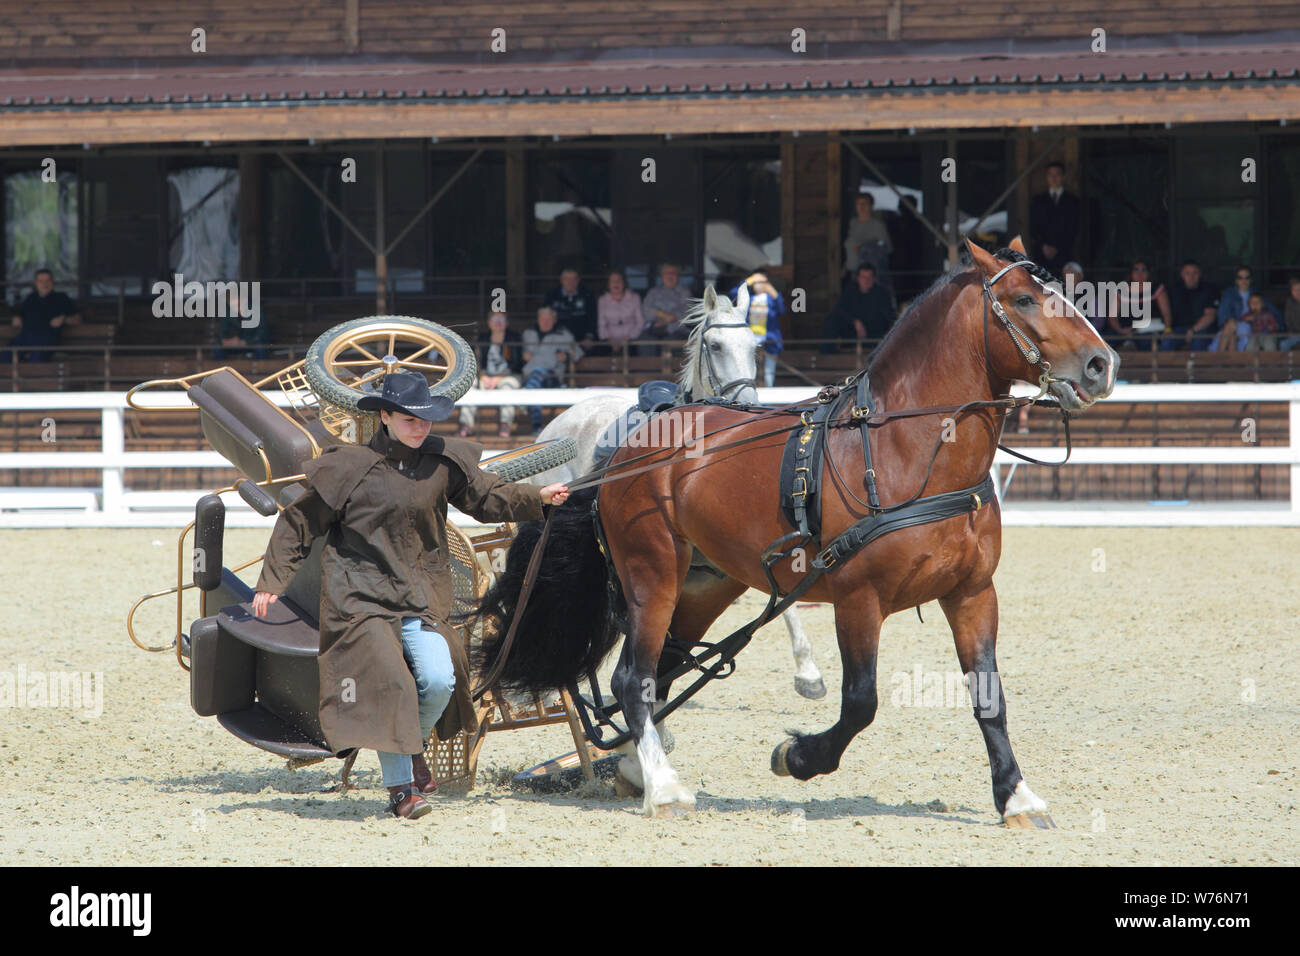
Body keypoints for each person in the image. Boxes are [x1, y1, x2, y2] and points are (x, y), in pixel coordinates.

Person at [251, 370, 569, 820]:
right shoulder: (347, 468)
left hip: (420, 595)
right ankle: (401, 791)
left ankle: (411, 745)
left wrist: (539, 496)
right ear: (385, 416)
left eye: (426, 420)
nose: (420, 428)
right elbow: (298, 525)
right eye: (409, 420)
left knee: (441, 680)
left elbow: (487, 496)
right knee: (394, 684)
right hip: (358, 599)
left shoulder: (442, 464)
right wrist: (271, 583)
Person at [459, 312, 523, 439]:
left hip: (508, 375)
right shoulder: (483, 339)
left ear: (507, 323)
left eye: (501, 319)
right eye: (494, 319)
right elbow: (475, 361)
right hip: (485, 376)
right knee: (470, 385)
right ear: (489, 323)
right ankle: (466, 424)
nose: (498, 322)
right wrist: (482, 376)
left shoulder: (513, 338)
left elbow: (517, 363)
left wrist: (499, 378)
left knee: (507, 387)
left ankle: (505, 424)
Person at [521, 306, 579, 434]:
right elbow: (515, 354)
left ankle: (533, 418)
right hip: (529, 376)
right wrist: (522, 355)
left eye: (549, 319)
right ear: (538, 319)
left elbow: (578, 352)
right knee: (534, 378)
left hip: (552, 377)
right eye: (543, 319)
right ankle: (535, 423)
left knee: (536, 375)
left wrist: (567, 355)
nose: (545, 322)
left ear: (554, 320)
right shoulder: (528, 334)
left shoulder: (564, 335)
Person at [4, 268, 78, 363]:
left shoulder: (62, 298)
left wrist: (64, 319)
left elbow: (77, 319)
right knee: (5, 358)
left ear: (52, 282)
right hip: (25, 336)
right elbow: (19, 314)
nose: (44, 284)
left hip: (46, 338)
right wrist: (16, 318)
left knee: (36, 361)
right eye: (41, 281)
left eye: (48, 280)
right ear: (36, 283)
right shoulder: (30, 298)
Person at [822, 264, 894, 354]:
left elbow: (890, 316)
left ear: (874, 279)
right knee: (832, 320)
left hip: (873, 335)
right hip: (853, 332)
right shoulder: (851, 291)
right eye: (863, 277)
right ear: (858, 279)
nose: (866, 281)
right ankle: (827, 357)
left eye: (869, 277)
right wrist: (855, 322)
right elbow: (839, 309)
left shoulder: (882, 294)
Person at [730, 271, 784, 388]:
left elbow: (782, 309)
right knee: (749, 367)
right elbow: (733, 294)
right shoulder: (748, 298)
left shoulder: (771, 298)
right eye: (756, 282)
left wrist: (773, 291)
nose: (758, 284)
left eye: (762, 282)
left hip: (770, 339)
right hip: (750, 339)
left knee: (769, 371)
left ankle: (769, 391)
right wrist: (749, 280)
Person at [1212, 266, 1281, 352]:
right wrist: (1229, 320)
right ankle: (1226, 359)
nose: (1243, 280)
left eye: (1247, 278)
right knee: (1230, 327)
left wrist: (1275, 326)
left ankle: (1224, 360)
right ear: (1236, 280)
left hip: (1250, 325)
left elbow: (1273, 312)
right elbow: (1223, 312)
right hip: (1232, 324)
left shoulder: (1257, 294)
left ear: (1251, 280)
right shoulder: (1229, 294)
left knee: (1236, 331)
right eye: (1240, 278)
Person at [1028, 162, 1080, 274]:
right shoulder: (1038, 201)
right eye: (1050, 175)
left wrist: (1058, 247)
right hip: (1042, 255)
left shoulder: (1073, 202)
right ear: (1046, 177)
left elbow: (1074, 228)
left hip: (1065, 255)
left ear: (1063, 177)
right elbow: (1033, 227)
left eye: (1057, 174)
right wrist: (1043, 246)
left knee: (1065, 288)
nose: (1054, 178)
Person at [1166, 259, 1219, 351]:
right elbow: (1166, 314)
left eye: (1195, 273)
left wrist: (1193, 330)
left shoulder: (1208, 289)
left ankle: (1194, 366)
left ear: (1200, 274)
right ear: (1182, 275)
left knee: (1198, 340)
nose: (1191, 277)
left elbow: (1210, 316)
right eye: (1187, 273)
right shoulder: (1174, 290)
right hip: (1179, 330)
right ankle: (1166, 365)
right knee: (1167, 340)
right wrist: (1167, 330)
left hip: (1201, 329)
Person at [543, 268, 597, 348]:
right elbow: (545, 318)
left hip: (582, 340)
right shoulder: (552, 295)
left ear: (578, 280)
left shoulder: (587, 295)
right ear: (561, 280)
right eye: (566, 279)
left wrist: (588, 337)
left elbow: (592, 318)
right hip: (557, 339)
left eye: (573, 279)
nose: (570, 282)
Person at [843, 193, 892, 279]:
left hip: (868, 275)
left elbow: (887, 248)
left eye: (864, 203)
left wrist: (866, 247)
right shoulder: (853, 223)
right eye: (858, 203)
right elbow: (851, 247)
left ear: (871, 206)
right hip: (852, 272)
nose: (861, 206)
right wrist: (845, 267)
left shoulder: (877, 225)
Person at [214, 288, 270, 361]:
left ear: (244, 300)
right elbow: (223, 330)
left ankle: (263, 370)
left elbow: (263, 332)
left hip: (253, 343)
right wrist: (226, 340)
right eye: (232, 305)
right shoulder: (227, 313)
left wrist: (246, 342)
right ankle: (222, 372)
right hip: (234, 344)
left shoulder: (256, 310)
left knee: (260, 348)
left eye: (238, 304)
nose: (235, 308)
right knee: (218, 348)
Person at [641, 262, 690, 343]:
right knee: (645, 341)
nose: (670, 276)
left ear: (678, 276)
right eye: (667, 273)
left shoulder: (685, 292)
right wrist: (662, 315)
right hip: (655, 329)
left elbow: (686, 312)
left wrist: (668, 321)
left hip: (677, 330)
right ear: (662, 276)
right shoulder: (653, 292)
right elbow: (646, 310)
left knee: (671, 341)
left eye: (673, 273)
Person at [596, 270, 643, 354]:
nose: (616, 283)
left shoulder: (635, 298)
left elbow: (640, 322)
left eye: (619, 280)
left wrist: (629, 338)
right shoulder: (602, 300)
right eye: (613, 281)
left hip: (631, 340)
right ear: (608, 284)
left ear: (624, 283)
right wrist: (611, 340)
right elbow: (601, 325)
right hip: (610, 341)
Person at [1279, 277, 1300, 351]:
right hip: (1295, 334)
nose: (1298, 292)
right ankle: (1285, 363)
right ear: (1291, 291)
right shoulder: (1289, 302)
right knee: (1284, 344)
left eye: (1299, 289)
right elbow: (1288, 321)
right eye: (1295, 290)